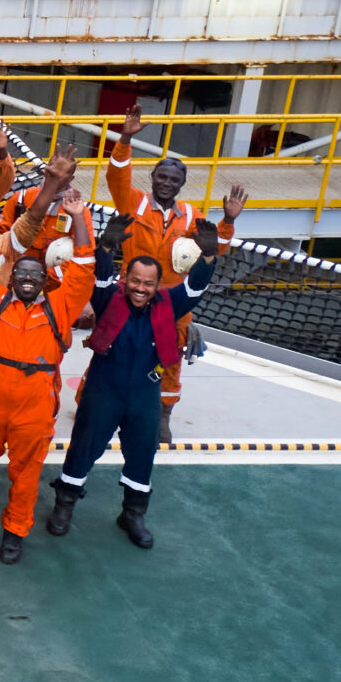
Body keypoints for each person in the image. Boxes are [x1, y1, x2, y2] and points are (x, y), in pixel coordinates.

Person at [45, 189, 237, 551]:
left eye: (148, 284)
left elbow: (195, 287)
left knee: (142, 452)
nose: (140, 289)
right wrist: (105, 249)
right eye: (135, 281)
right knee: (84, 446)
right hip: (105, 387)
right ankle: (64, 505)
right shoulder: (108, 297)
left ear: (157, 285)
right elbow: (100, 278)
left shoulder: (170, 301)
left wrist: (209, 254)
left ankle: (132, 513)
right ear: (126, 278)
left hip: (145, 393)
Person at [0, 187, 97, 563]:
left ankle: (14, 529)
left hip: (35, 402)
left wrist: (79, 217)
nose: (27, 279)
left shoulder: (61, 307)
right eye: (21, 273)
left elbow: (85, 265)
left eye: (35, 275)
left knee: (26, 473)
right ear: (10, 278)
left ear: (45, 281)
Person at [105, 106, 241, 424]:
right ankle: (94, 400)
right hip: (129, 291)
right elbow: (116, 173)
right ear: (152, 177)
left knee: (170, 356)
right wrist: (125, 138)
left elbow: (215, 246)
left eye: (173, 179)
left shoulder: (192, 215)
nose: (166, 183)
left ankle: (163, 414)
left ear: (181, 184)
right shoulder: (132, 202)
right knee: (111, 345)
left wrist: (229, 221)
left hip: (173, 299)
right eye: (162, 176)